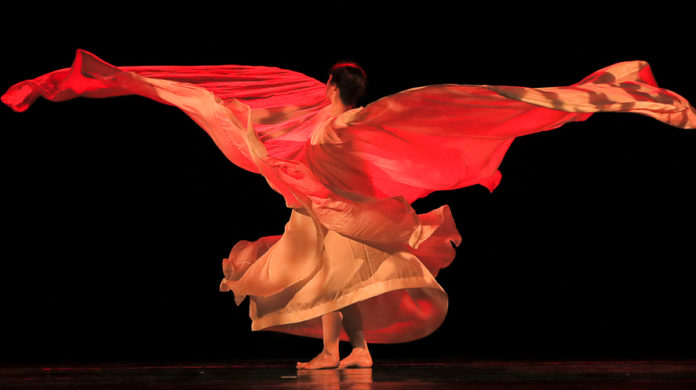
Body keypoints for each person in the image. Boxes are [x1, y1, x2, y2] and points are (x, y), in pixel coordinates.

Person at [3, 50, 694, 370]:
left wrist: (242, 128)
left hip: (341, 212)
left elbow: (311, 151)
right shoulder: (339, 117)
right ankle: (352, 352)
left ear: (335, 86)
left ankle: (340, 351)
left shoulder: (339, 124)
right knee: (343, 282)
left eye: (329, 85)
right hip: (343, 212)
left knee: (331, 278)